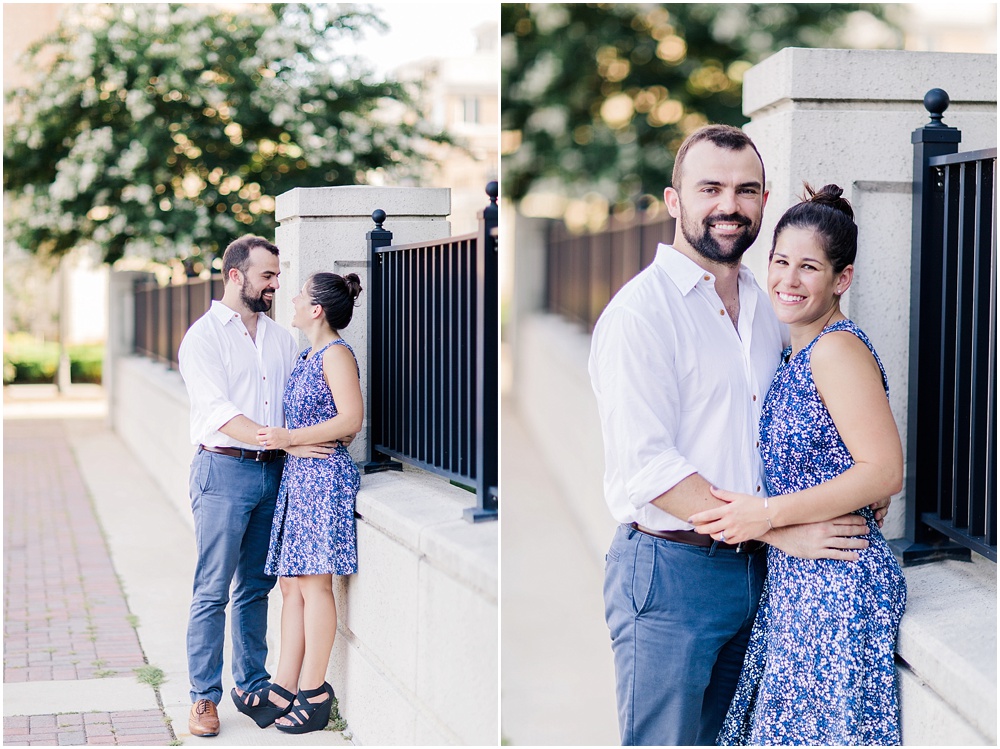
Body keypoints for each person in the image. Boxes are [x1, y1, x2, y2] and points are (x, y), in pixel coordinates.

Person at [588, 125, 889, 746]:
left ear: (763, 200)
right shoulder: (639, 315)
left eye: (745, 189)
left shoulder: (767, 305)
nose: (729, 205)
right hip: (672, 573)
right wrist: (780, 525)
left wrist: (848, 491)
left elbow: (815, 429)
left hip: (767, 578)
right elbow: (649, 467)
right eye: (711, 188)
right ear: (675, 202)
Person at [690, 184, 906, 745]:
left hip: (837, 584)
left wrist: (767, 515)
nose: (788, 279)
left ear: (842, 279)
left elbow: (884, 471)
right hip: (796, 580)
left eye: (809, 267)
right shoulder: (795, 352)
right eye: (781, 261)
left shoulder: (836, 349)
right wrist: (783, 528)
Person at [178, 235, 336, 738]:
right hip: (222, 471)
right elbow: (220, 413)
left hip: (275, 474)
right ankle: (204, 699)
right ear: (235, 275)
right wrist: (287, 441)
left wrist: (292, 444)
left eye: (276, 277)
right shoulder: (202, 338)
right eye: (267, 276)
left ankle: (251, 684)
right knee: (211, 591)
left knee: (256, 588)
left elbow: (293, 404)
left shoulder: (280, 338)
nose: (274, 286)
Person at [231, 271, 364, 734]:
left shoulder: (337, 354)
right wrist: (289, 445)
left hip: (324, 479)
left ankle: (315, 692)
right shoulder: (308, 354)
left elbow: (351, 420)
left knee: (314, 586)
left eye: (300, 295)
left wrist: (290, 437)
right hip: (298, 477)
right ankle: (284, 686)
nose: (290, 298)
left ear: (317, 310)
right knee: (290, 585)